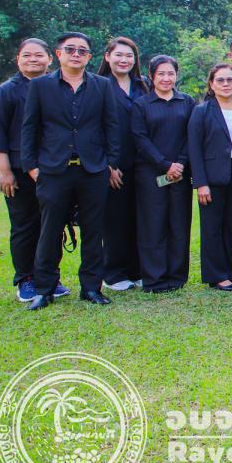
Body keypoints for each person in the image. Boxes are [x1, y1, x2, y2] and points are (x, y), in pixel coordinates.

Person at [21, 32, 121, 309]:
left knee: (93, 232)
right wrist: (31, 167)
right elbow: (30, 128)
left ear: (89, 56)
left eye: (82, 51)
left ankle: (91, 288)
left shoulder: (102, 85)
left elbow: (111, 126)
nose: (76, 54)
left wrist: (110, 163)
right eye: (70, 50)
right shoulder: (40, 86)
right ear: (59, 54)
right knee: (50, 231)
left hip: (93, 170)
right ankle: (44, 289)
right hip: (53, 171)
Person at [0, 38, 70, 302]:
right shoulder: (6, 91)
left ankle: (49, 277)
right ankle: (26, 278)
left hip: (53, 168)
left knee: (53, 225)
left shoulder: (57, 88)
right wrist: (5, 171)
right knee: (24, 225)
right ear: (18, 60)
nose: (33, 59)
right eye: (27, 55)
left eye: (38, 55)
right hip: (19, 171)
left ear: (50, 59)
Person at [188, 64, 232, 291]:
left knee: (230, 226)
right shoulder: (201, 111)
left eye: (230, 80)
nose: (226, 84)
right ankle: (216, 275)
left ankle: (231, 272)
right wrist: (201, 183)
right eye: (220, 80)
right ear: (211, 84)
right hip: (212, 177)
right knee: (212, 227)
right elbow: (194, 150)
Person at [131, 55, 195, 293]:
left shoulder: (186, 102)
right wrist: (164, 164)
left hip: (180, 173)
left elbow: (191, 135)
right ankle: (154, 278)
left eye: (171, 74)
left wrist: (180, 163)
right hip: (150, 174)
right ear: (152, 76)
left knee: (179, 224)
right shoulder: (142, 104)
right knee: (153, 225)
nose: (166, 78)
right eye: (161, 74)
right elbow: (140, 139)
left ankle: (176, 276)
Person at [98, 36, 150, 291]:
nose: (124, 60)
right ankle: (115, 273)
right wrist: (109, 164)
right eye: (118, 55)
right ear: (107, 57)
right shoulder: (98, 85)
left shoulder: (143, 85)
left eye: (129, 56)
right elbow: (94, 127)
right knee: (116, 219)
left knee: (141, 218)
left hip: (143, 163)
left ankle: (137, 270)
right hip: (114, 165)